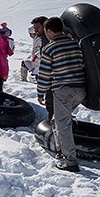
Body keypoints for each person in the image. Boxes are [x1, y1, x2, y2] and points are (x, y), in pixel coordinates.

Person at [36, 17, 86, 172]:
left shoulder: (50, 48)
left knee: (63, 125)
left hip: (63, 90)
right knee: (58, 120)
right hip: (81, 89)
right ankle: (60, 150)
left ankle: (70, 162)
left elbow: (44, 74)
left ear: (50, 31)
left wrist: (40, 92)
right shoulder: (75, 44)